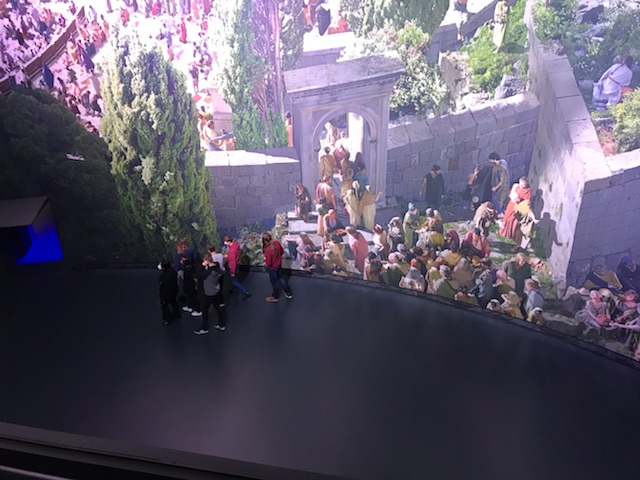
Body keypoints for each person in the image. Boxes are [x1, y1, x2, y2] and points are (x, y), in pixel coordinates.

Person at [194, 253, 226, 334]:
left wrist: (202, 266)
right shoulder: (217, 268)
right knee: (217, 307)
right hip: (216, 290)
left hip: (209, 292)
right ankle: (221, 324)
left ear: (206, 261)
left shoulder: (208, 272)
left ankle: (204, 328)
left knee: (204, 309)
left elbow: (196, 274)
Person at [263, 232, 293, 302]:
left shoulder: (267, 250)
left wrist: (265, 259)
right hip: (279, 265)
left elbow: (269, 263)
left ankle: (275, 296)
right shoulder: (277, 243)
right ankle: (289, 293)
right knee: (281, 278)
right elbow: (282, 252)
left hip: (272, 268)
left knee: (274, 282)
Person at [223, 235, 251, 300]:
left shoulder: (232, 251)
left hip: (233, 266)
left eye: (225, 241)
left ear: (228, 241)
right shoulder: (235, 245)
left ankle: (245, 292)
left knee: (233, 280)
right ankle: (235, 289)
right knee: (235, 279)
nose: (225, 243)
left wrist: (232, 272)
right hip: (237, 263)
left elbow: (233, 262)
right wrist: (228, 255)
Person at [158, 260, 180, 325]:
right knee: (173, 301)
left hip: (167, 292)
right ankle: (177, 314)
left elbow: (164, 286)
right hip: (174, 290)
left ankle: (167, 319)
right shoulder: (173, 271)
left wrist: (163, 296)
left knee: (164, 305)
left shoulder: (166, 275)